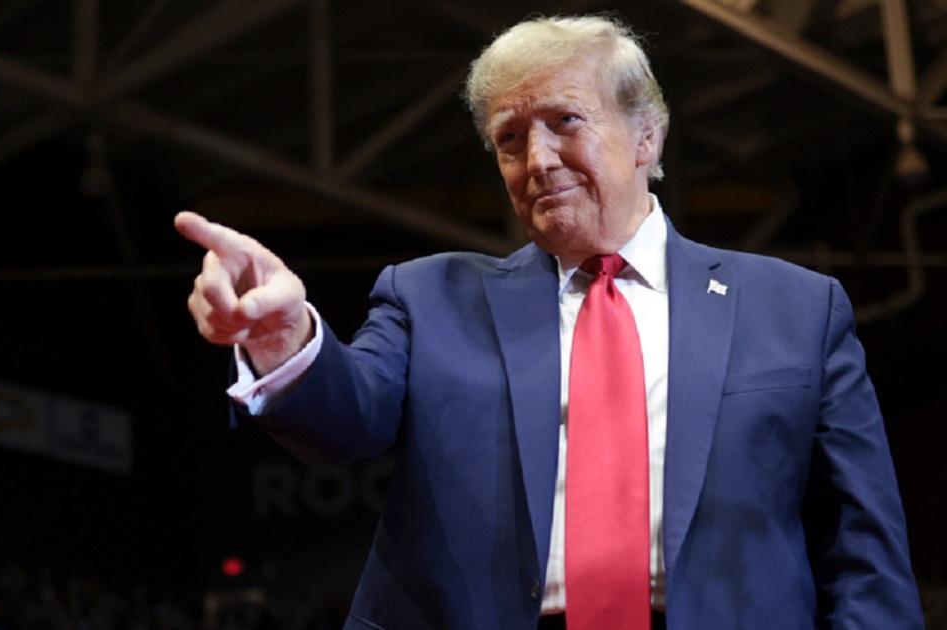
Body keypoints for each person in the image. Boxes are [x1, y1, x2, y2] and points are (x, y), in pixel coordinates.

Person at [175, 14, 923, 630]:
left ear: (646, 136)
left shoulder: (796, 308)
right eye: (508, 138)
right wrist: (283, 340)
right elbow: (346, 418)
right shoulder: (430, 300)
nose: (536, 159)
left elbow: (866, 553)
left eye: (565, 122)